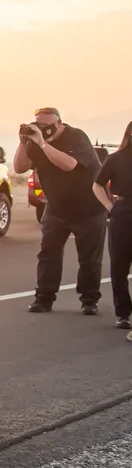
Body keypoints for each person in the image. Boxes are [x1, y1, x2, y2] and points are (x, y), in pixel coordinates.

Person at [15, 107, 103, 314]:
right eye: (37, 125)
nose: (41, 129)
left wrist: (43, 143)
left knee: (89, 259)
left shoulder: (76, 137)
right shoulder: (35, 142)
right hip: (56, 208)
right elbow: (20, 167)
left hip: (88, 208)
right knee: (48, 255)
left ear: (59, 125)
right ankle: (43, 298)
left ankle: (89, 300)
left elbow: (69, 164)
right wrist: (23, 141)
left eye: (45, 126)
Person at [92, 121, 132, 333]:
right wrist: (109, 206)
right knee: (119, 266)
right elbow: (97, 184)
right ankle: (123, 314)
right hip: (123, 212)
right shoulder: (116, 159)